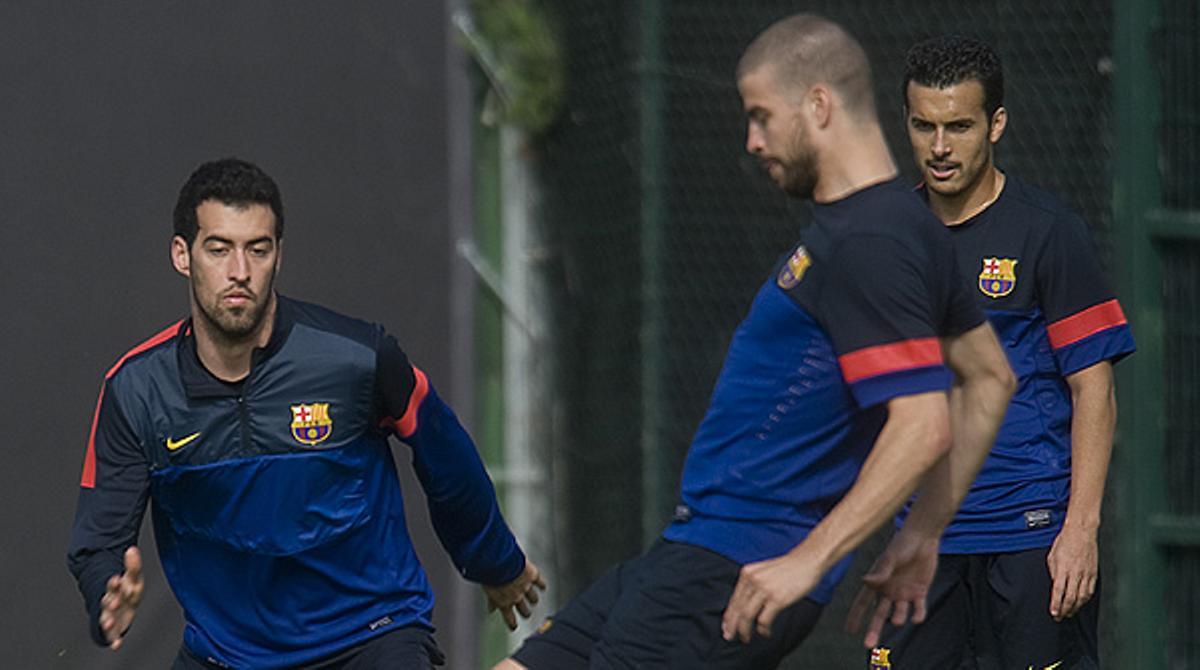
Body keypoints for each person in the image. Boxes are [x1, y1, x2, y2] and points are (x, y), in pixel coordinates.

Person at [493, 14, 1014, 669]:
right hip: (695, 547)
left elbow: (923, 423)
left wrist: (810, 560)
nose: (752, 140)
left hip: (732, 569)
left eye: (762, 116)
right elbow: (990, 378)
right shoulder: (887, 228)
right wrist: (923, 535)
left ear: (818, 105)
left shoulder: (871, 243)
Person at [67, 157, 545, 668]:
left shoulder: (359, 358)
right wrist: (107, 598)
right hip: (227, 656)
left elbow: (445, 455)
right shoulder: (136, 390)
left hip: (372, 636)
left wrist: (494, 560)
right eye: (219, 249)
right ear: (182, 255)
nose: (240, 272)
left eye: (258, 249)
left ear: (279, 255)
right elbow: (100, 541)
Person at [863, 36, 1137, 669]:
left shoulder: (1048, 231)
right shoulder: (885, 239)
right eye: (924, 126)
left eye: (959, 126)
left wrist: (1081, 529)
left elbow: (1093, 387)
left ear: (996, 124)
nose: (939, 146)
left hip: (1031, 535)